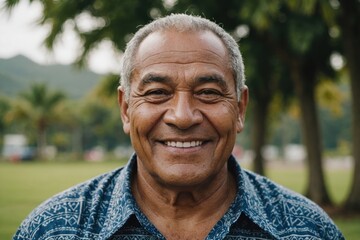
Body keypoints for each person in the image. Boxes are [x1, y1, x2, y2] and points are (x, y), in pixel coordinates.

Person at [14, 14, 344, 240]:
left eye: (209, 93)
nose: (183, 117)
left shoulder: (307, 230)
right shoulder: (57, 228)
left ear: (240, 108)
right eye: (157, 92)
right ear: (126, 109)